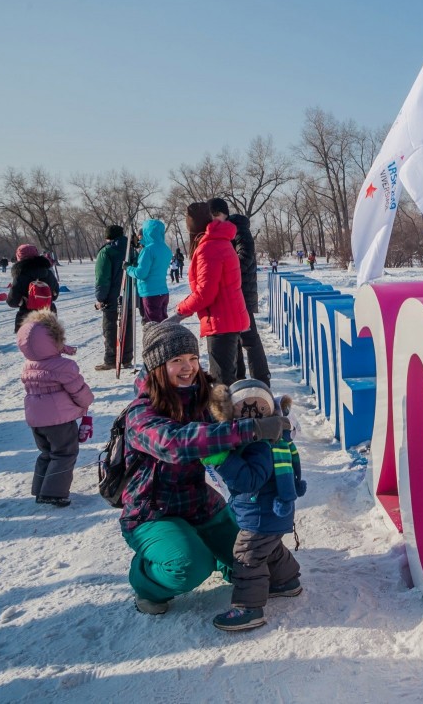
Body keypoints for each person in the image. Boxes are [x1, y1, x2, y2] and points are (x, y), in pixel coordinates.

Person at [119, 322, 291, 616]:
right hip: (151, 513)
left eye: (192, 358)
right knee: (188, 566)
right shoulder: (140, 412)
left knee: (263, 567)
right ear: (158, 366)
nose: (188, 368)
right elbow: (176, 443)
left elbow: (231, 427)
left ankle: (211, 550)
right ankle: (144, 580)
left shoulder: (204, 398)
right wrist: (251, 430)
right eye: (176, 361)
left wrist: (268, 415)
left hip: (199, 505)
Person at [202, 378, 304, 631]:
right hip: (268, 513)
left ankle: (248, 609)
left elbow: (250, 481)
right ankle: (287, 581)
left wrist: (223, 460)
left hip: (260, 512)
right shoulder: (262, 438)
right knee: (267, 547)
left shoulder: (258, 444)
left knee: (247, 554)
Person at [18, 309, 94, 507]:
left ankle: (40, 488)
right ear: (54, 340)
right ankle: (54, 493)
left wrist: (63, 349)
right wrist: (87, 402)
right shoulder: (63, 367)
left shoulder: (29, 365)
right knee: (64, 453)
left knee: (47, 453)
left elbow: (44, 351)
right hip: (59, 420)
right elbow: (78, 390)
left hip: (36, 420)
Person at [169, 202, 249, 386]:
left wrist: (181, 311)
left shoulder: (209, 248)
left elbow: (205, 292)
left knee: (222, 385)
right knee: (232, 380)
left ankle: (226, 415)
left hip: (221, 321)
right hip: (227, 318)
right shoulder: (218, 241)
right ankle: (234, 412)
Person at [208, 198, 270, 386]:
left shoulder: (239, 229)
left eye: (212, 216)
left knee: (249, 338)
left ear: (219, 214)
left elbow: (246, 256)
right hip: (234, 294)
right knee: (234, 339)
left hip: (242, 293)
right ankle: (239, 378)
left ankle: (262, 379)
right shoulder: (227, 230)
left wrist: (226, 269)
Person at [94, 224, 133, 371]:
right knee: (127, 326)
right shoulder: (131, 250)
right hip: (129, 295)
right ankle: (127, 358)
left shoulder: (106, 252)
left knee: (110, 327)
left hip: (112, 298)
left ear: (107, 237)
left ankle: (111, 359)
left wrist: (100, 298)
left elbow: (102, 278)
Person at [127, 219, 173, 324]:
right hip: (163, 291)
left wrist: (128, 268)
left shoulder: (148, 250)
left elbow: (141, 273)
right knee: (163, 323)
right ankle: (164, 340)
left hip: (150, 292)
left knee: (152, 325)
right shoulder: (166, 249)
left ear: (147, 232)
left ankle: (154, 341)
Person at [8, 243, 60, 332]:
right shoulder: (48, 273)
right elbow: (55, 296)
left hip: (27, 318)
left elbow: (12, 302)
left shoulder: (20, 277)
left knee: (28, 344)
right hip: (49, 316)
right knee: (49, 343)